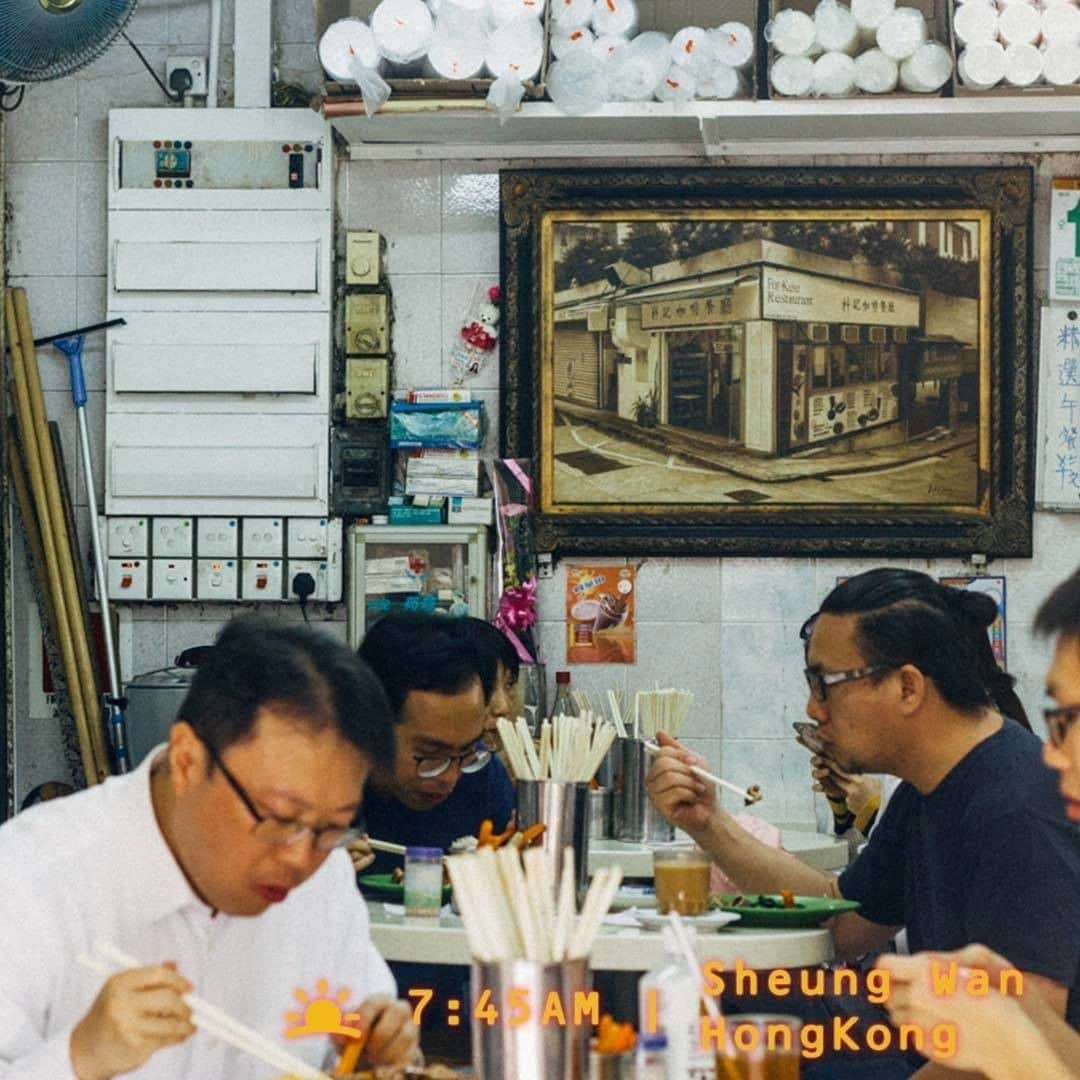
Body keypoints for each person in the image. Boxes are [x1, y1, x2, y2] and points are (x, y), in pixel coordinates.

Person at [646, 567, 1080, 1078]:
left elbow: (1019, 1048)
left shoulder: (1016, 808)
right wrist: (707, 821)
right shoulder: (931, 787)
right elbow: (842, 921)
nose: (813, 708)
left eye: (824, 683)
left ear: (908, 687)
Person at [0, 617, 418, 1079]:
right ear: (187, 761)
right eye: (279, 819)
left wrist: (380, 1052)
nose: (301, 859)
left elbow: (362, 1025)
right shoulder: (28, 880)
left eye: (333, 827)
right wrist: (80, 1057)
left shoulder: (325, 880)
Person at [879, 565, 1080, 1078]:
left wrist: (1014, 1050)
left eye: (1072, 720)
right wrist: (1017, 1009)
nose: (1054, 756)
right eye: (1056, 718)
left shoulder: (1018, 803)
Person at [347, 613, 515, 879]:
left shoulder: (481, 773)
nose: (450, 777)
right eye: (430, 757)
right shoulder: (320, 792)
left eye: (465, 753)